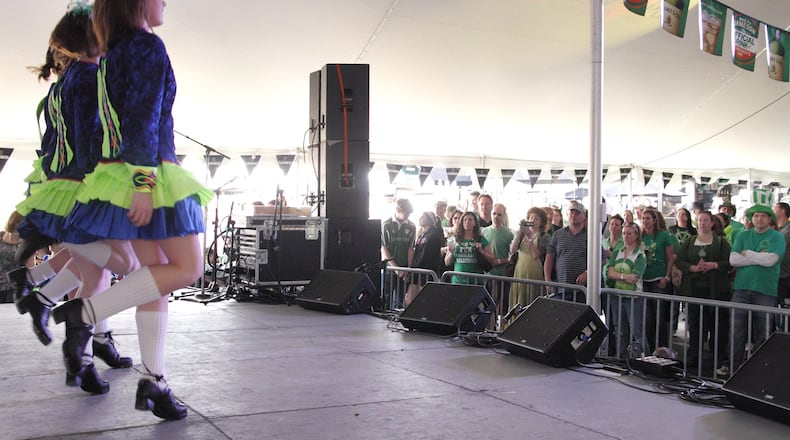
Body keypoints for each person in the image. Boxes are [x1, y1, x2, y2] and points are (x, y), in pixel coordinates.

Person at [52, 0, 214, 419]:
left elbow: (101, 129)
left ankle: (155, 382)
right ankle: (84, 313)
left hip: (120, 174)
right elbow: (142, 120)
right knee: (188, 268)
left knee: (154, 278)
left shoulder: (111, 55)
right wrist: (144, 183)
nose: (165, 2)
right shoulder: (145, 47)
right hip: (149, 173)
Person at [11, 5, 138, 393]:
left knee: (93, 267)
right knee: (117, 264)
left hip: (65, 182)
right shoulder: (87, 80)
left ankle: (47, 299)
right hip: (85, 182)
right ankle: (76, 333)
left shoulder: (63, 86)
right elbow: (88, 141)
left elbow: (53, 146)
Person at [726, 203, 785, 375]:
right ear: (752, 219)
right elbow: (733, 260)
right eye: (756, 216)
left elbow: (772, 260)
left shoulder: (777, 237)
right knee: (736, 331)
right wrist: (760, 256)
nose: (759, 219)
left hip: (766, 289)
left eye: (763, 216)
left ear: (769, 219)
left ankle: (761, 373)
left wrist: (748, 254)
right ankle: (732, 370)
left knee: (764, 332)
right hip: (741, 288)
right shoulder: (743, 235)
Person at [674, 211, 731, 370]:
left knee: (718, 326)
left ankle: (718, 358)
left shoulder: (721, 242)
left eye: (706, 220)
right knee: (695, 325)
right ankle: (694, 356)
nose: (703, 223)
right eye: (700, 220)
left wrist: (713, 265)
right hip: (694, 290)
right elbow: (679, 260)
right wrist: (692, 268)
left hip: (717, 291)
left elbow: (729, 262)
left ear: (712, 223)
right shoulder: (690, 241)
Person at [604, 222, 646, 358]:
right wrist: (623, 276)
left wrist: (619, 275)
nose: (626, 236)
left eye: (629, 233)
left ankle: (646, 359)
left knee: (636, 331)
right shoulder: (618, 251)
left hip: (633, 297)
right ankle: (620, 358)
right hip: (617, 296)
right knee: (619, 329)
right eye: (624, 233)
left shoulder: (640, 255)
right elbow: (609, 272)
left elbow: (634, 277)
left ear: (636, 235)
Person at [640, 207, 676, 352]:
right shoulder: (641, 236)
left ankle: (662, 348)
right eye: (643, 218)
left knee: (659, 317)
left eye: (648, 218)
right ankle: (649, 348)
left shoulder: (664, 235)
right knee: (647, 318)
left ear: (654, 220)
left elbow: (670, 258)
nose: (645, 221)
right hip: (644, 279)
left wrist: (667, 276)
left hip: (659, 279)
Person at [544, 201, 588, 303]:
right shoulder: (557, 234)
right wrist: (547, 280)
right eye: (571, 212)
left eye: (577, 213)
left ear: (584, 216)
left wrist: (588, 272)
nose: (573, 215)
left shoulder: (590, 236)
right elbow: (549, 258)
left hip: (582, 290)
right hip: (560, 287)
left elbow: (601, 259)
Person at [509, 207, 550, 309]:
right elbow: (512, 250)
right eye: (531, 218)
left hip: (534, 272)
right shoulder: (522, 235)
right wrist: (519, 234)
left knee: (532, 301)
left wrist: (530, 238)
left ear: (541, 222)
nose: (532, 220)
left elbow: (536, 255)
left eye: (536, 219)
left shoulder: (544, 236)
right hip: (520, 271)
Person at [381, 198, 416, 307]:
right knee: (386, 298)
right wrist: (396, 268)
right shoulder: (386, 224)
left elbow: (411, 248)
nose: (407, 216)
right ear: (398, 210)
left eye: (409, 213)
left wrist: (409, 269)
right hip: (389, 269)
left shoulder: (412, 226)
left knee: (400, 300)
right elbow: (384, 248)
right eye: (406, 213)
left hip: (404, 269)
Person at [481, 203, 514, 322]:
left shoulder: (509, 234)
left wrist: (499, 261)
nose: (496, 216)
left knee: (501, 306)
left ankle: (499, 329)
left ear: (504, 216)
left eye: (499, 214)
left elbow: (512, 257)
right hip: (487, 275)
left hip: (502, 276)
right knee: (487, 304)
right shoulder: (483, 232)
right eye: (494, 213)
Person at [444, 211, 494, 285]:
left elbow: (492, 258)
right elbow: (447, 262)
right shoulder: (455, 239)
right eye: (465, 220)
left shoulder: (480, 239)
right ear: (462, 222)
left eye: (470, 220)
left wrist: (482, 251)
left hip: (476, 281)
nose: (467, 222)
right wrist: (451, 253)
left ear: (475, 223)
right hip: (458, 281)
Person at [406, 212, 445, 306]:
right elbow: (417, 253)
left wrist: (414, 267)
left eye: (423, 217)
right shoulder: (421, 235)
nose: (420, 218)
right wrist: (411, 269)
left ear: (429, 220)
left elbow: (426, 255)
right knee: (409, 301)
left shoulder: (433, 235)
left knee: (424, 301)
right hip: (417, 271)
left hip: (427, 271)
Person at [1, 212, 25, 303]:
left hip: (15, 287)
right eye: (18, 222)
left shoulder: (25, 243)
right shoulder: (1, 236)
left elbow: (30, 267)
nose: (19, 225)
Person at [773, 202, 790, 308]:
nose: (773, 210)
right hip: (776, 272)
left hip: (783, 273)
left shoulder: (787, 230)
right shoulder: (779, 229)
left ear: (782, 211)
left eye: (775, 208)